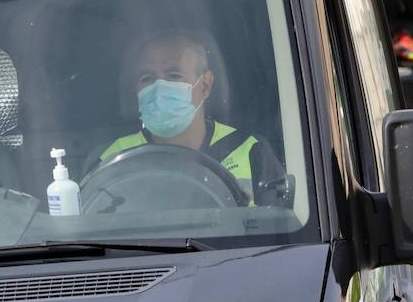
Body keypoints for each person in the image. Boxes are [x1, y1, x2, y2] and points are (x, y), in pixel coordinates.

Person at [89, 30, 285, 206]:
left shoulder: (250, 151)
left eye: (174, 76)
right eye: (147, 78)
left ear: (205, 85)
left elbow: (280, 233)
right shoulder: (110, 160)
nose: (159, 88)